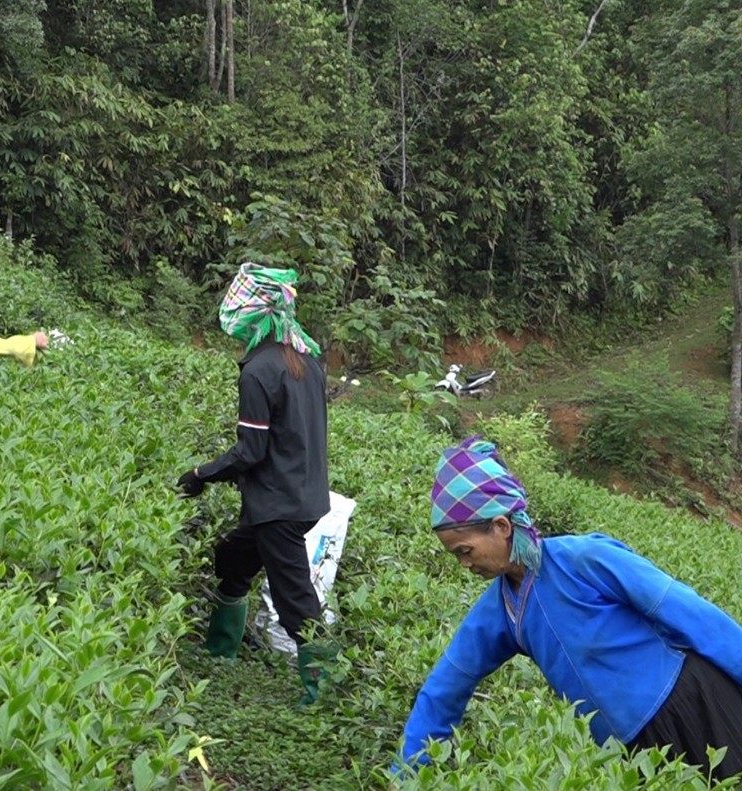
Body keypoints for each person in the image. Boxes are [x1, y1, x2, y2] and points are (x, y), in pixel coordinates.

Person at [395, 436, 742, 780]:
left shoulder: (585, 559)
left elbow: (693, 616)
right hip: (634, 752)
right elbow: (447, 684)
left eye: (465, 550)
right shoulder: (499, 611)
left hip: (696, 705)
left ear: (501, 526)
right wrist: (407, 774)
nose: (464, 564)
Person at [177, 263, 332, 705]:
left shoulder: (258, 371)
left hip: (278, 506)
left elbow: (251, 451)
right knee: (232, 558)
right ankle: (220, 648)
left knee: (295, 601)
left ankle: (323, 689)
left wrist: (200, 474)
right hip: (304, 494)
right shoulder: (307, 361)